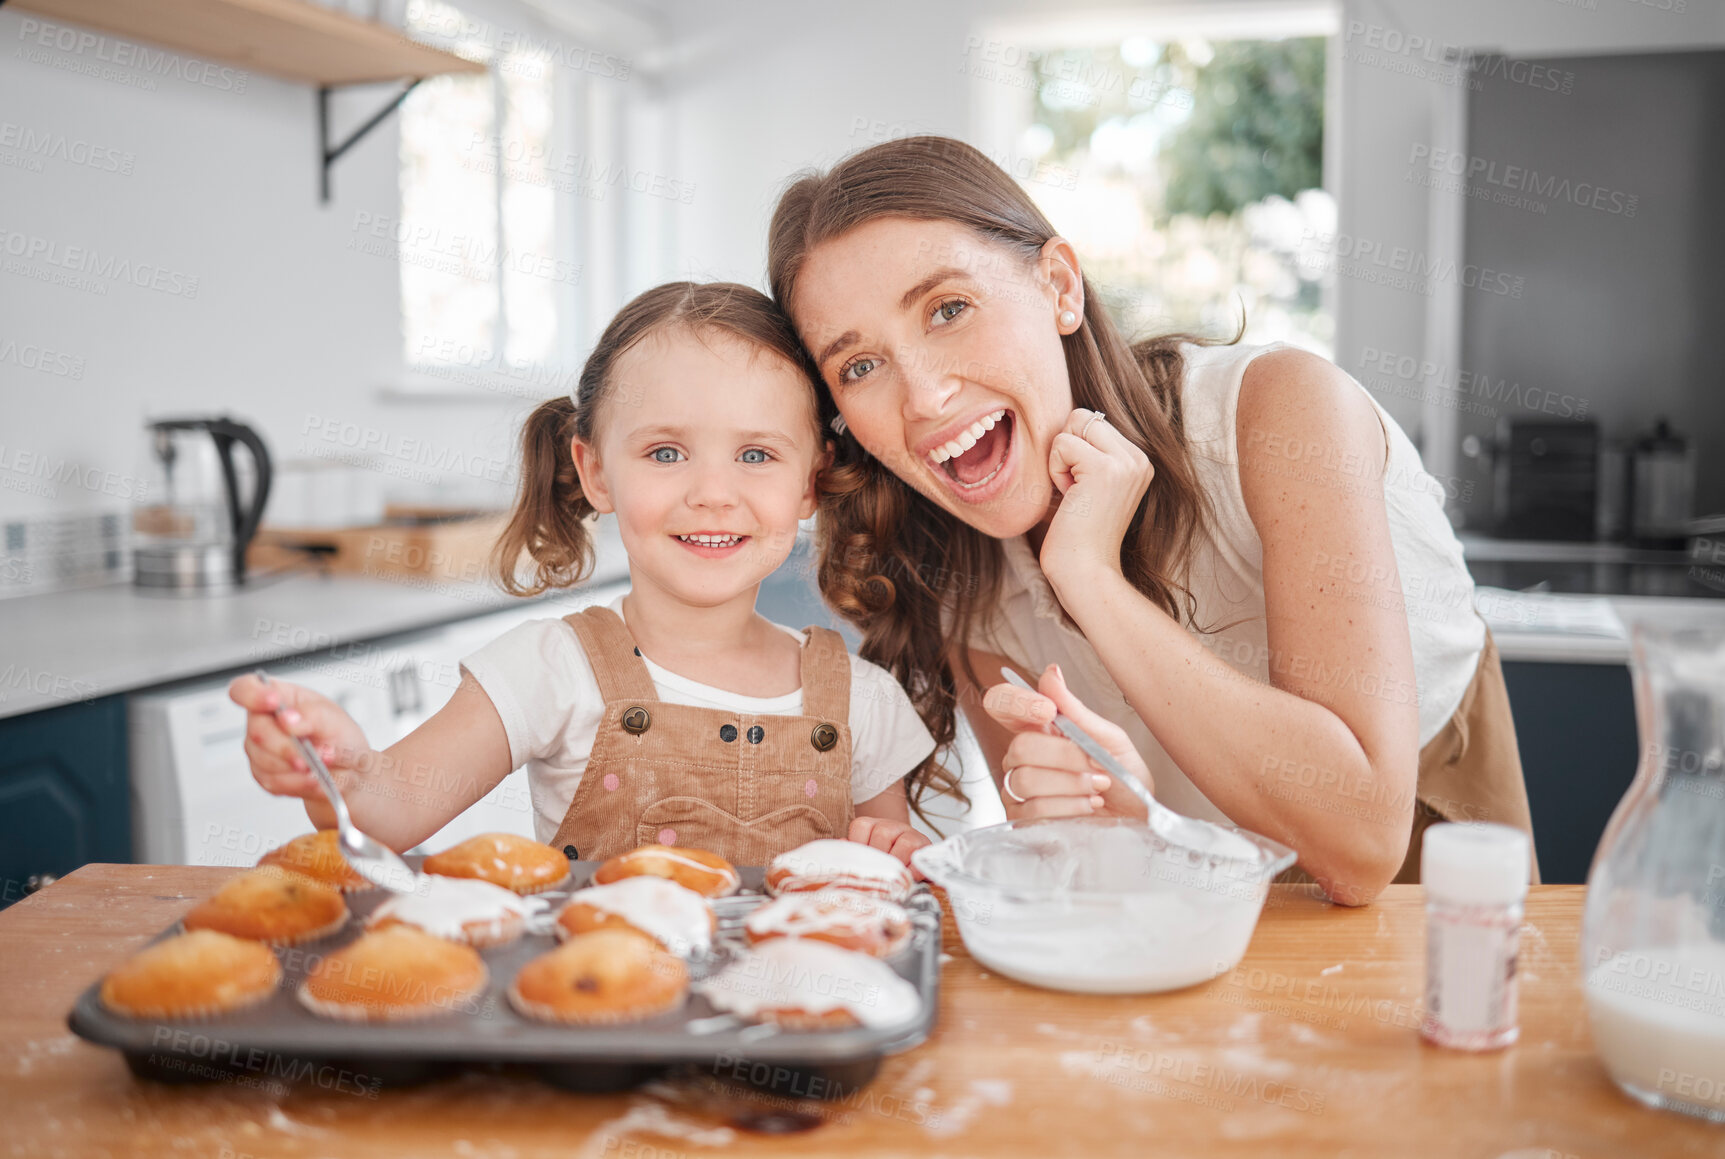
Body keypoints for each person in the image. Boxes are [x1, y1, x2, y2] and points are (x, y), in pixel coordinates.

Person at [767, 136, 1537, 904]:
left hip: (1430, 865)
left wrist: (1090, 579)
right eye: (859, 366)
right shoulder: (951, 574)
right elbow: (1096, 872)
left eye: (948, 308)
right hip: (1204, 900)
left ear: (1058, 286)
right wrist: (1116, 823)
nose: (925, 396)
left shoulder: (1280, 413)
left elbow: (1361, 845)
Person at [230, 282, 943, 868]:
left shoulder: (863, 702)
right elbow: (385, 809)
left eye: (756, 455)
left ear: (810, 482)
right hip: (594, 1022)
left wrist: (899, 854)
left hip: (799, 1029)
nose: (712, 492)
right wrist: (341, 771)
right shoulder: (548, 668)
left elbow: (890, 891)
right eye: (666, 453)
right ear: (595, 472)